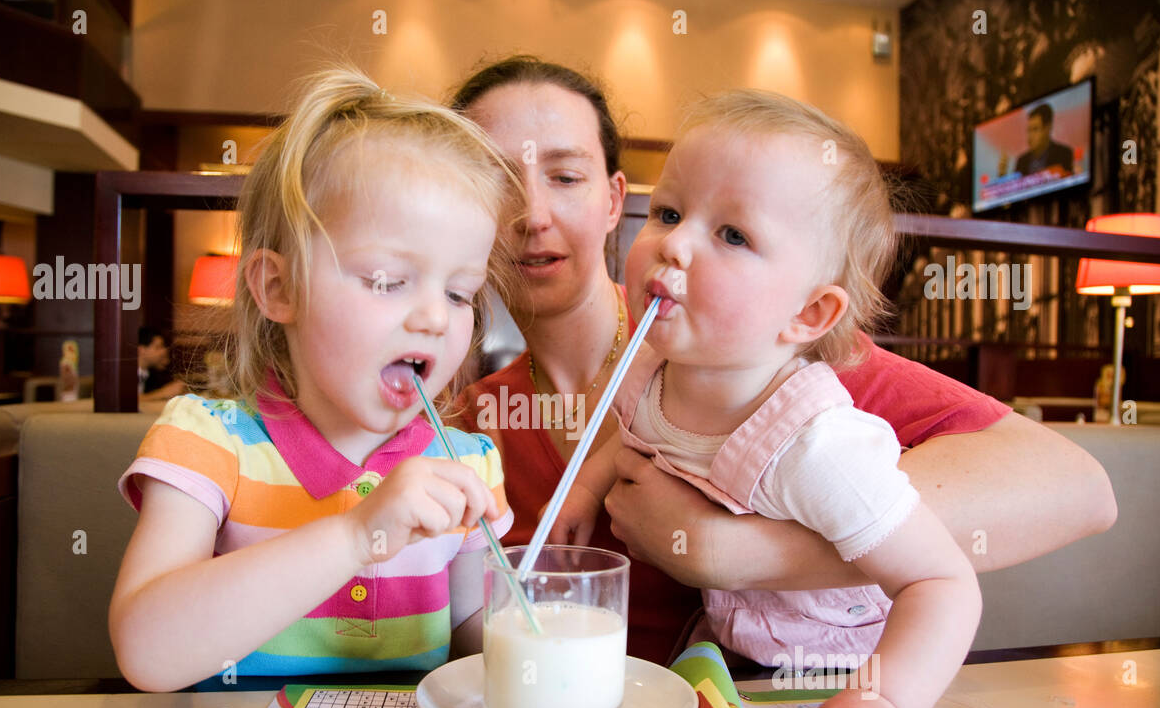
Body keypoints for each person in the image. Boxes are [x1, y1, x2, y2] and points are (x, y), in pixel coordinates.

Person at [450, 56, 1115, 673]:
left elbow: (1078, 489)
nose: (530, 214)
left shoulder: (774, 358)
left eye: (565, 177)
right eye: (496, 182)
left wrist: (738, 553)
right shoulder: (466, 419)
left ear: (615, 200)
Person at [550, 90, 982, 708]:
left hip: (840, 672)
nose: (674, 243)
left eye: (732, 235)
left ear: (808, 312)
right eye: (668, 212)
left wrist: (882, 702)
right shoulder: (650, 363)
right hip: (736, 661)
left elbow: (943, 582)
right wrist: (587, 488)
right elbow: (632, 438)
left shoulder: (818, 445)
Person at [108, 67, 519, 692]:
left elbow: (469, 643)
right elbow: (146, 651)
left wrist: (531, 643)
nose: (437, 317)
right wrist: (358, 534)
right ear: (278, 287)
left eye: (461, 293)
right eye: (386, 280)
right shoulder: (208, 443)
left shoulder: (468, 466)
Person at [999, 103, 1074, 177]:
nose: (1030, 136)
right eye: (1029, 130)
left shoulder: (1064, 154)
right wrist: (1002, 176)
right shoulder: (1021, 161)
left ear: (1047, 128)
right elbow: (1017, 187)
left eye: (1035, 129)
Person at [137, 327, 186, 401]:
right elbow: (126, 401)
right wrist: (163, 393)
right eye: (158, 347)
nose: (164, 351)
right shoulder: (122, 375)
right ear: (141, 350)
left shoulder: (150, 375)